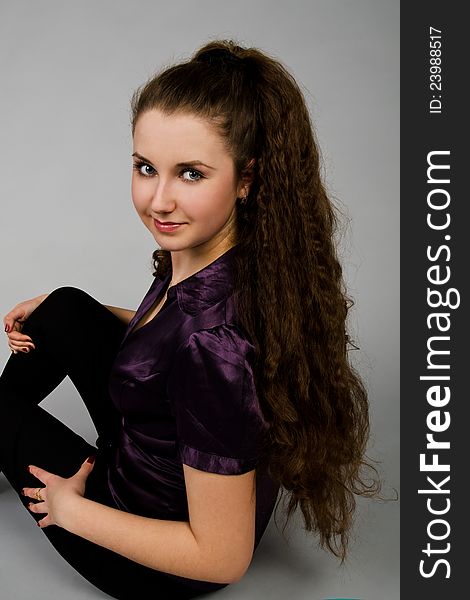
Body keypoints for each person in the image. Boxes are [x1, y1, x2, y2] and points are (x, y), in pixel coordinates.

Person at [0, 39, 380, 599]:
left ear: (247, 179)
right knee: (65, 305)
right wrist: (77, 314)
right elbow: (177, 336)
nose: (159, 200)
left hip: (152, 548)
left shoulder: (213, 347)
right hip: (163, 461)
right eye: (146, 167)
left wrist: (71, 510)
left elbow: (222, 558)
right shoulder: (232, 259)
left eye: (191, 174)